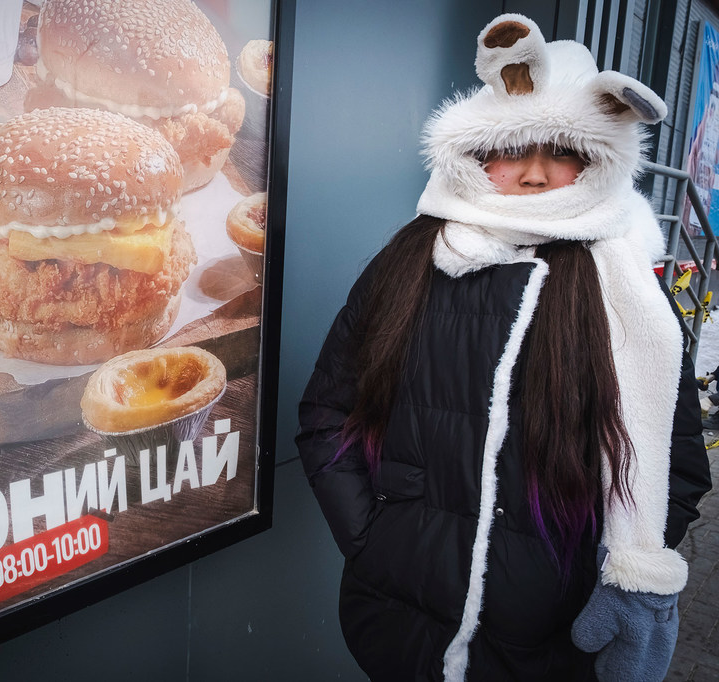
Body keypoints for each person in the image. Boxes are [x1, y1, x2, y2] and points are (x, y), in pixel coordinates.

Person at [296, 14, 713, 682]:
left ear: (598, 163)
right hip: (402, 626)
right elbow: (327, 414)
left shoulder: (625, 288)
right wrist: (375, 543)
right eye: (514, 147)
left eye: (566, 152)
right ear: (477, 154)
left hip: (549, 645)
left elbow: (679, 467)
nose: (536, 175)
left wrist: (595, 572)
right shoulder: (411, 261)